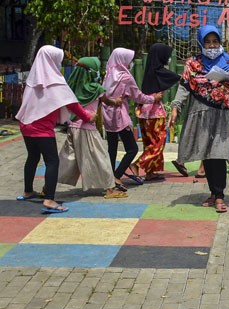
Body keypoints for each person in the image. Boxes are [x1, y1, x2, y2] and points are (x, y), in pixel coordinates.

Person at [168, 25, 229, 213]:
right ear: (201, 43)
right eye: (208, 42)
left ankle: (220, 196)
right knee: (207, 155)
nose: (212, 46)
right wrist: (176, 107)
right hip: (200, 115)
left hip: (222, 115)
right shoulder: (193, 64)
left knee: (218, 154)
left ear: (220, 42)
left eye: (215, 41)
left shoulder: (228, 61)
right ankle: (213, 193)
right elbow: (184, 87)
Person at [16, 45, 96, 213]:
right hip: (42, 128)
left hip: (25, 125)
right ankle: (49, 200)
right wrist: (88, 117)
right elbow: (72, 103)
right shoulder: (56, 81)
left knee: (32, 157)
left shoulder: (33, 79)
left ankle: (28, 191)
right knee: (52, 161)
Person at [57, 57, 126, 199]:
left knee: (67, 159)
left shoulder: (71, 88)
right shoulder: (96, 89)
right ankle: (110, 189)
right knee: (102, 158)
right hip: (88, 129)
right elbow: (108, 101)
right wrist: (117, 101)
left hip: (72, 128)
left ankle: (49, 185)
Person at [102, 47, 159, 185]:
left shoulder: (108, 74)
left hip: (108, 116)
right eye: (129, 60)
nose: (130, 63)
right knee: (132, 149)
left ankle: (109, 178)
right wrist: (153, 99)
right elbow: (138, 96)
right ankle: (117, 175)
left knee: (112, 149)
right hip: (120, 117)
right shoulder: (125, 77)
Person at [137, 43, 180, 181]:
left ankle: (150, 172)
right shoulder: (159, 70)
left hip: (144, 112)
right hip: (155, 113)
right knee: (158, 143)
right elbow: (175, 77)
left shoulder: (149, 70)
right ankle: (137, 164)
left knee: (149, 143)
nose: (167, 58)